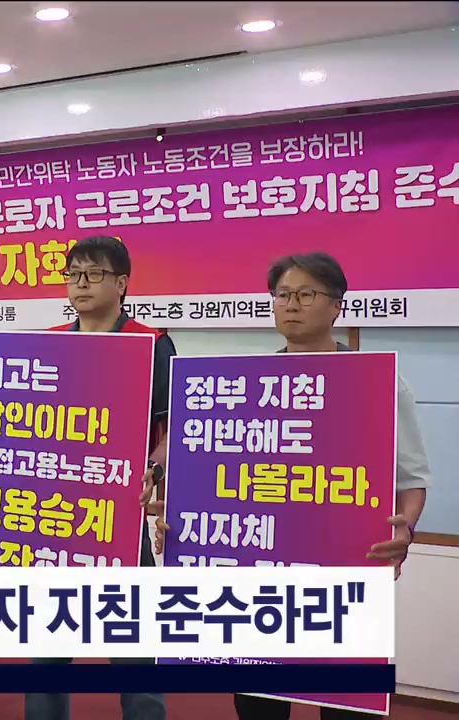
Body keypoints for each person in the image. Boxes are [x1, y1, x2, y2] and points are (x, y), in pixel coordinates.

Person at [201, 252, 428, 720]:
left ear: (336, 305)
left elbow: (411, 479)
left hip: (345, 565)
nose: (291, 304)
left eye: (306, 294)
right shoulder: (245, 387)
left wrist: (404, 529)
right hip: (262, 570)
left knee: (345, 704)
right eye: (282, 294)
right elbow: (216, 478)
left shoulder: (378, 382)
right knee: (259, 703)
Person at [25, 236, 171, 720]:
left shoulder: (151, 343)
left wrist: (155, 467)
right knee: (45, 656)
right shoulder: (49, 342)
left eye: (93, 274)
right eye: (73, 274)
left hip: (119, 517)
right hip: (54, 516)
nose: (81, 283)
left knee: (134, 653)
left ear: (122, 283)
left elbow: (173, 427)